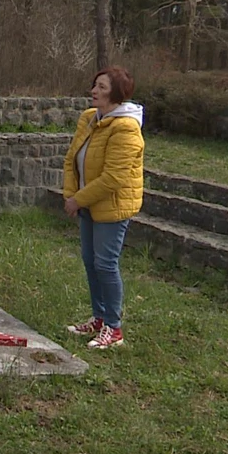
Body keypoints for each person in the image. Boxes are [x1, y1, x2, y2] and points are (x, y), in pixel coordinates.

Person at [62, 66, 145, 350]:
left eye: (101, 87)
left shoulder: (126, 128)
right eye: (94, 85)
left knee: (105, 264)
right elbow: (72, 158)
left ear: (117, 95)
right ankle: (98, 318)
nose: (94, 91)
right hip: (87, 203)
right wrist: (70, 194)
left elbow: (114, 178)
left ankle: (114, 327)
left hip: (111, 207)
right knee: (90, 261)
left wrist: (77, 199)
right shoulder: (89, 118)